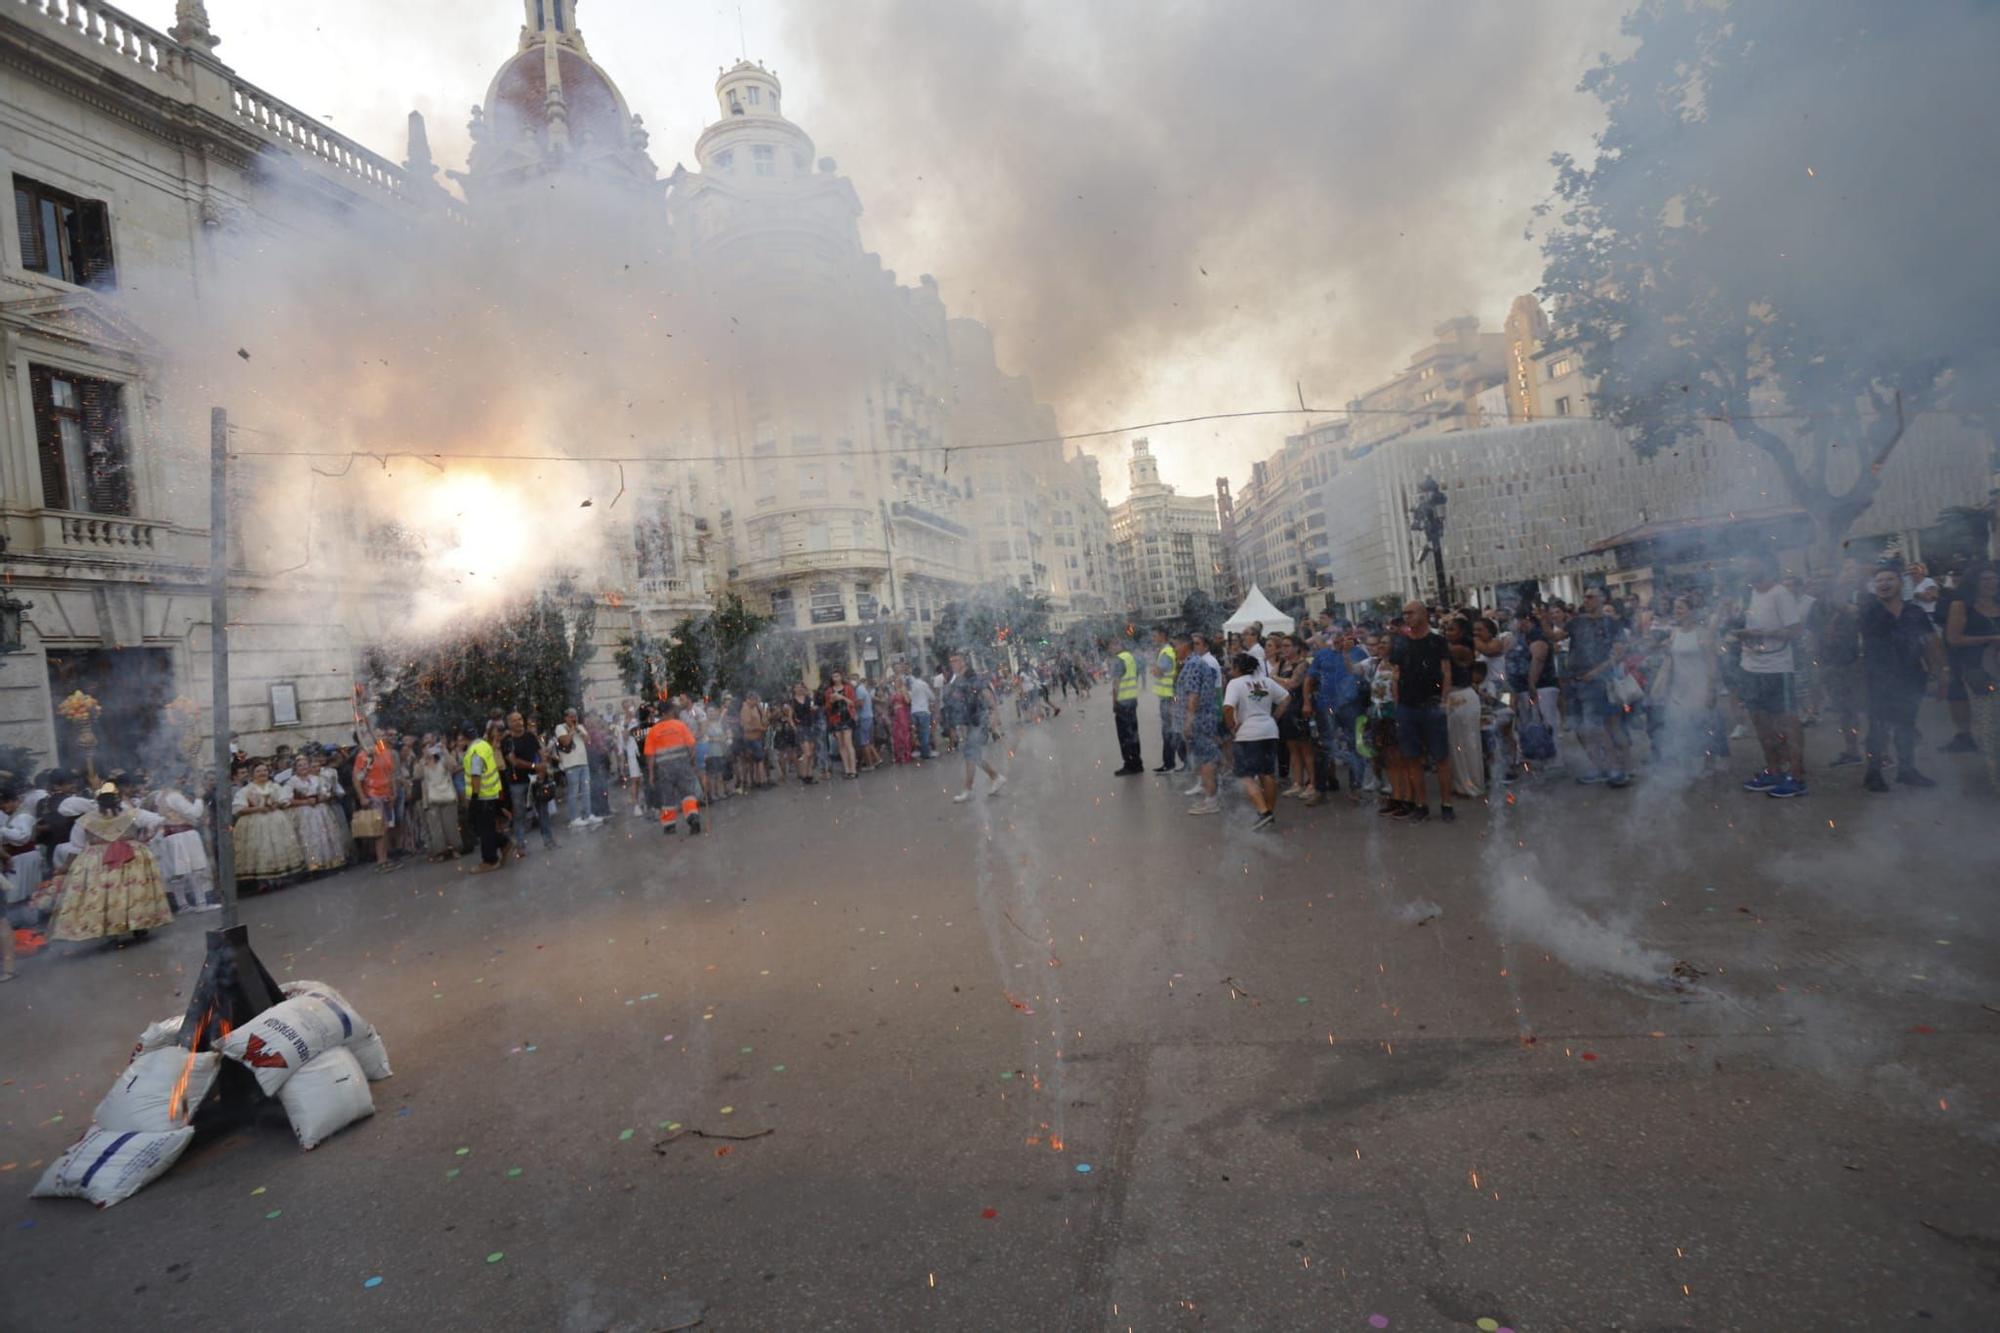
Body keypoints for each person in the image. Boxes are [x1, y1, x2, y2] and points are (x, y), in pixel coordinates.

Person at [50, 783, 172, 944]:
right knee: (133, 891)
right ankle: (139, 926)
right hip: (131, 855)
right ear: (118, 799)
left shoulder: (85, 820)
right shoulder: (132, 814)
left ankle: (111, 931)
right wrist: (147, 836)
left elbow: (76, 846)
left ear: (97, 801)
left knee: (104, 896)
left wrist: (65, 867)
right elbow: (158, 820)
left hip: (98, 860)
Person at [1858, 565, 1942, 792]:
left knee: (1907, 725)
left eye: (1889, 579)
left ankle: (1907, 770)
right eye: (1879, 581)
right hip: (1877, 677)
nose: (1884, 584)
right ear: (1874, 587)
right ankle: (1873, 772)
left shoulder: (1915, 612)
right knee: (1878, 727)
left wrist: (1937, 672)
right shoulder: (1868, 611)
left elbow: (1930, 641)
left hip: (1911, 675)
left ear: (1901, 583)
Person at [1734, 555, 1808, 798]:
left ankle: (1796, 777)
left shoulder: (1780, 593)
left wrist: (1764, 633)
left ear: (1763, 565)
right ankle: (1774, 770)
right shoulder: (1748, 594)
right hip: (1750, 668)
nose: (1745, 567)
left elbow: (1796, 630)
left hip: (1777, 669)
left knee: (1787, 724)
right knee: (1761, 724)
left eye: (1750, 562)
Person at [1388, 601, 1456, 822]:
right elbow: (1395, 674)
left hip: (1432, 705)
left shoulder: (1437, 641)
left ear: (1424, 615)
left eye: (1411, 613)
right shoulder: (1400, 643)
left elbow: (1446, 671)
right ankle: (1421, 804)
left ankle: (1446, 804)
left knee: (1441, 757)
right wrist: (1398, 704)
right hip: (1408, 708)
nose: (1407, 617)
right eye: (1404, 613)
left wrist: (1444, 700)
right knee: (1411, 758)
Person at [1561, 587, 1633, 788]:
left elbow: (1618, 654)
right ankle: (1599, 767)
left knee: (1600, 728)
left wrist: (1596, 671)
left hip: (1597, 682)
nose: (1586, 600)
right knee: (1582, 728)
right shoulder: (1577, 621)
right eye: (1584, 596)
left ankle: (1616, 769)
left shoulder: (1612, 623)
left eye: (1590, 596)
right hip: (1575, 681)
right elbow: (1555, 637)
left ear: (1602, 599)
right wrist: (1541, 619)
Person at [1944, 564, 2000, 789]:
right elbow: (1953, 638)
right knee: (1991, 727)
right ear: (1974, 581)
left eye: (1995, 579)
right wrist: (1992, 638)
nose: (1992, 583)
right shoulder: (1962, 605)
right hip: (1979, 672)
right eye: (1986, 579)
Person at [1223, 651, 1289, 830]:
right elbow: (1286, 698)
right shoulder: (1266, 682)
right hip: (1269, 731)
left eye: (1232, 667)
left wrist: (1232, 727)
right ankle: (1269, 812)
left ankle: (1263, 812)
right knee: (1267, 773)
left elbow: (1228, 708)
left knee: (1244, 775)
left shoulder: (1235, 683)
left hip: (1248, 734)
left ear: (1237, 668)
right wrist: (1274, 717)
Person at [941, 651, 1007, 802]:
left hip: (980, 720)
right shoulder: (958, 679)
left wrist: (995, 716)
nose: (953, 663)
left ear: (963, 662)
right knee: (972, 755)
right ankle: (995, 777)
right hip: (971, 721)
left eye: (956, 660)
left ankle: (969, 789)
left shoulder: (972, 677)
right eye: (951, 661)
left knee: (971, 753)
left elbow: (987, 694)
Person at [233, 762, 306, 885]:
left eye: (265, 770)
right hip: (256, 823)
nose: (263, 773)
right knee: (261, 848)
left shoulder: (275, 786)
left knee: (278, 845)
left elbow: (284, 800)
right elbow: (238, 809)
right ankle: (264, 881)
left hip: (276, 819)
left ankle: (281, 876)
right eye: (258, 771)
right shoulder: (246, 790)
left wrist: (276, 804)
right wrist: (258, 809)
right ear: (252, 774)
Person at [1178, 631, 1225, 815]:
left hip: (1200, 720)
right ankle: (1211, 796)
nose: (1175, 650)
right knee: (1207, 757)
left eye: (1176, 646)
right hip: (1205, 717)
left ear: (1184, 646)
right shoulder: (1196, 663)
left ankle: (1211, 801)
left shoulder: (1193, 665)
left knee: (1206, 759)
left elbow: (1193, 695)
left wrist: (1188, 722)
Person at [644, 701, 704, 835]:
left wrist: (651, 774)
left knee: (667, 798)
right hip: (683, 766)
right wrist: (692, 762)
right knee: (688, 794)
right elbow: (691, 746)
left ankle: (669, 826)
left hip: (665, 770)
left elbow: (650, 755)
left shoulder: (654, 730)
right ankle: (693, 818)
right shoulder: (680, 725)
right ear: (669, 712)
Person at [501, 711, 556, 856]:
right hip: (517, 782)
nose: (519, 722)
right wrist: (534, 767)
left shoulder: (530, 736)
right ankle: (520, 845)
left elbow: (541, 752)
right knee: (519, 814)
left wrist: (543, 767)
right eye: (514, 720)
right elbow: (513, 761)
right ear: (509, 724)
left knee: (542, 809)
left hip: (535, 779)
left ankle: (549, 840)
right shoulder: (507, 740)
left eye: (520, 719)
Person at [464, 720, 507, 872]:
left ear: (463, 738)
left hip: (482, 797)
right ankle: (505, 843)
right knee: (487, 828)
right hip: (491, 794)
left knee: (485, 831)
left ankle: (490, 860)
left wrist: (474, 798)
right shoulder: (483, 745)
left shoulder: (474, 751)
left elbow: (476, 774)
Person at [352, 739, 400, 871]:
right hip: (373, 795)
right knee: (379, 829)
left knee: (386, 828)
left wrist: (394, 792)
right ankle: (381, 861)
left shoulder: (386, 753)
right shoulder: (364, 755)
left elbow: (391, 774)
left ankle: (385, 859)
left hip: (387, 795)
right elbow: (356, 778)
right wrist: (362, 797)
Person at [554, 708, 601, 830]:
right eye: (571, 716)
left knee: (586, 789)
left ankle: (588, 815)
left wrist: (579, 731)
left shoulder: (579, 727)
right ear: (565, 718)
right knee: (573, 792)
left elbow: (588, 740)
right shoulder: (560, 728)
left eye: (575, 716)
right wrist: (572, 731)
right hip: (570, 764)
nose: (573, 718)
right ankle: (574, 818)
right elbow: (565, 742)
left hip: (583, 763)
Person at [418, 743, 461, 862]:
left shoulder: (443, 761)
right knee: (435, 827)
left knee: (450, 824)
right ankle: (440, 852)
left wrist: (445, 751)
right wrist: (424, 759)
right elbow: (417, 775)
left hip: (447, 796)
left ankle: (455, 849)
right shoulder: (423, 764)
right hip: (431, 799)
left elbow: (453, 766)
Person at [1150, 627, 1184, 773]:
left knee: (1170, 731)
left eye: (1155, 635)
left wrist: (1154, 668)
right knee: (1171, 730)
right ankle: (1172, 762)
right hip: (1169, 696)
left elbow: (1158, 672)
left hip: (1169, 697)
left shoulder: (1166, 652)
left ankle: (1177, 762)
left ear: (1162, 635)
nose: (1153, 638)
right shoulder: (1166, 651)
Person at [1109, 638, 1144, 775]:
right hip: (1132, 700)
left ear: (1119, 644)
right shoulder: (1130, 657)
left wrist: (1114, 702)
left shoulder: (1118, 660)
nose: (1110, 649)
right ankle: (1137, 762)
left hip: (1123, 703)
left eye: (1112, 645)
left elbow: (1116, 684)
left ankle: (1129, 765)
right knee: (1133, 733)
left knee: (1124, 736)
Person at [903, 663, 936, 761]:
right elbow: (932, 697)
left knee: (916, 732)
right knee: (925, 732)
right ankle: (925, 753)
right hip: (923, 710)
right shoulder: (923, 684)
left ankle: (918, 750)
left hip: (914, 711)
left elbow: (909, 696)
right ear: (921, 674)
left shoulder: (911, 685)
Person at [889, 676, 915, 766]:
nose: (895, 683)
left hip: (902, 713)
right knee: (896, 736)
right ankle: (899, 756)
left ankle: (907, 755)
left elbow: (908, 701)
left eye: (896, 681)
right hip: (895, 714)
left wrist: (904, 694)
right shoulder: (893, 692)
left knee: (904, 734)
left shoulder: (903, 690)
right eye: (894, 682)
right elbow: (890, 703)